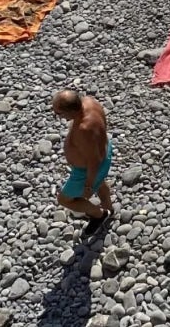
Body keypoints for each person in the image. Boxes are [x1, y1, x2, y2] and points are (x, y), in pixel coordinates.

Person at [53, 89, 113, 234]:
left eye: (58, 113)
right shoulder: (90, 102)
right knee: (101, 183)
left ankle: (99, 215)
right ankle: (109, 208)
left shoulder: (84, 129)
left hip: (87, 170)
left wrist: (88, 185)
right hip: (106, 150)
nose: (57, 116)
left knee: (64, 200)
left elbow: (94, 161)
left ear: (71, 112)